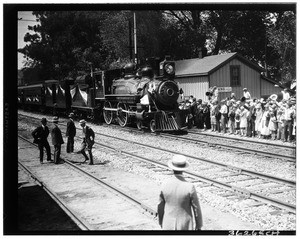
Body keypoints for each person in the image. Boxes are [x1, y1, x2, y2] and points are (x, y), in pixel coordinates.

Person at [157, 155, 203, 230]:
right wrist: (198, 225)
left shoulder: (164, 185)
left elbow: (160, 207)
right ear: (183, 169)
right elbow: (196, 208)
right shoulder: (189, 187)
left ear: (172, 168)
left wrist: (161, 222)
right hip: (185, 225)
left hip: (168, 224)